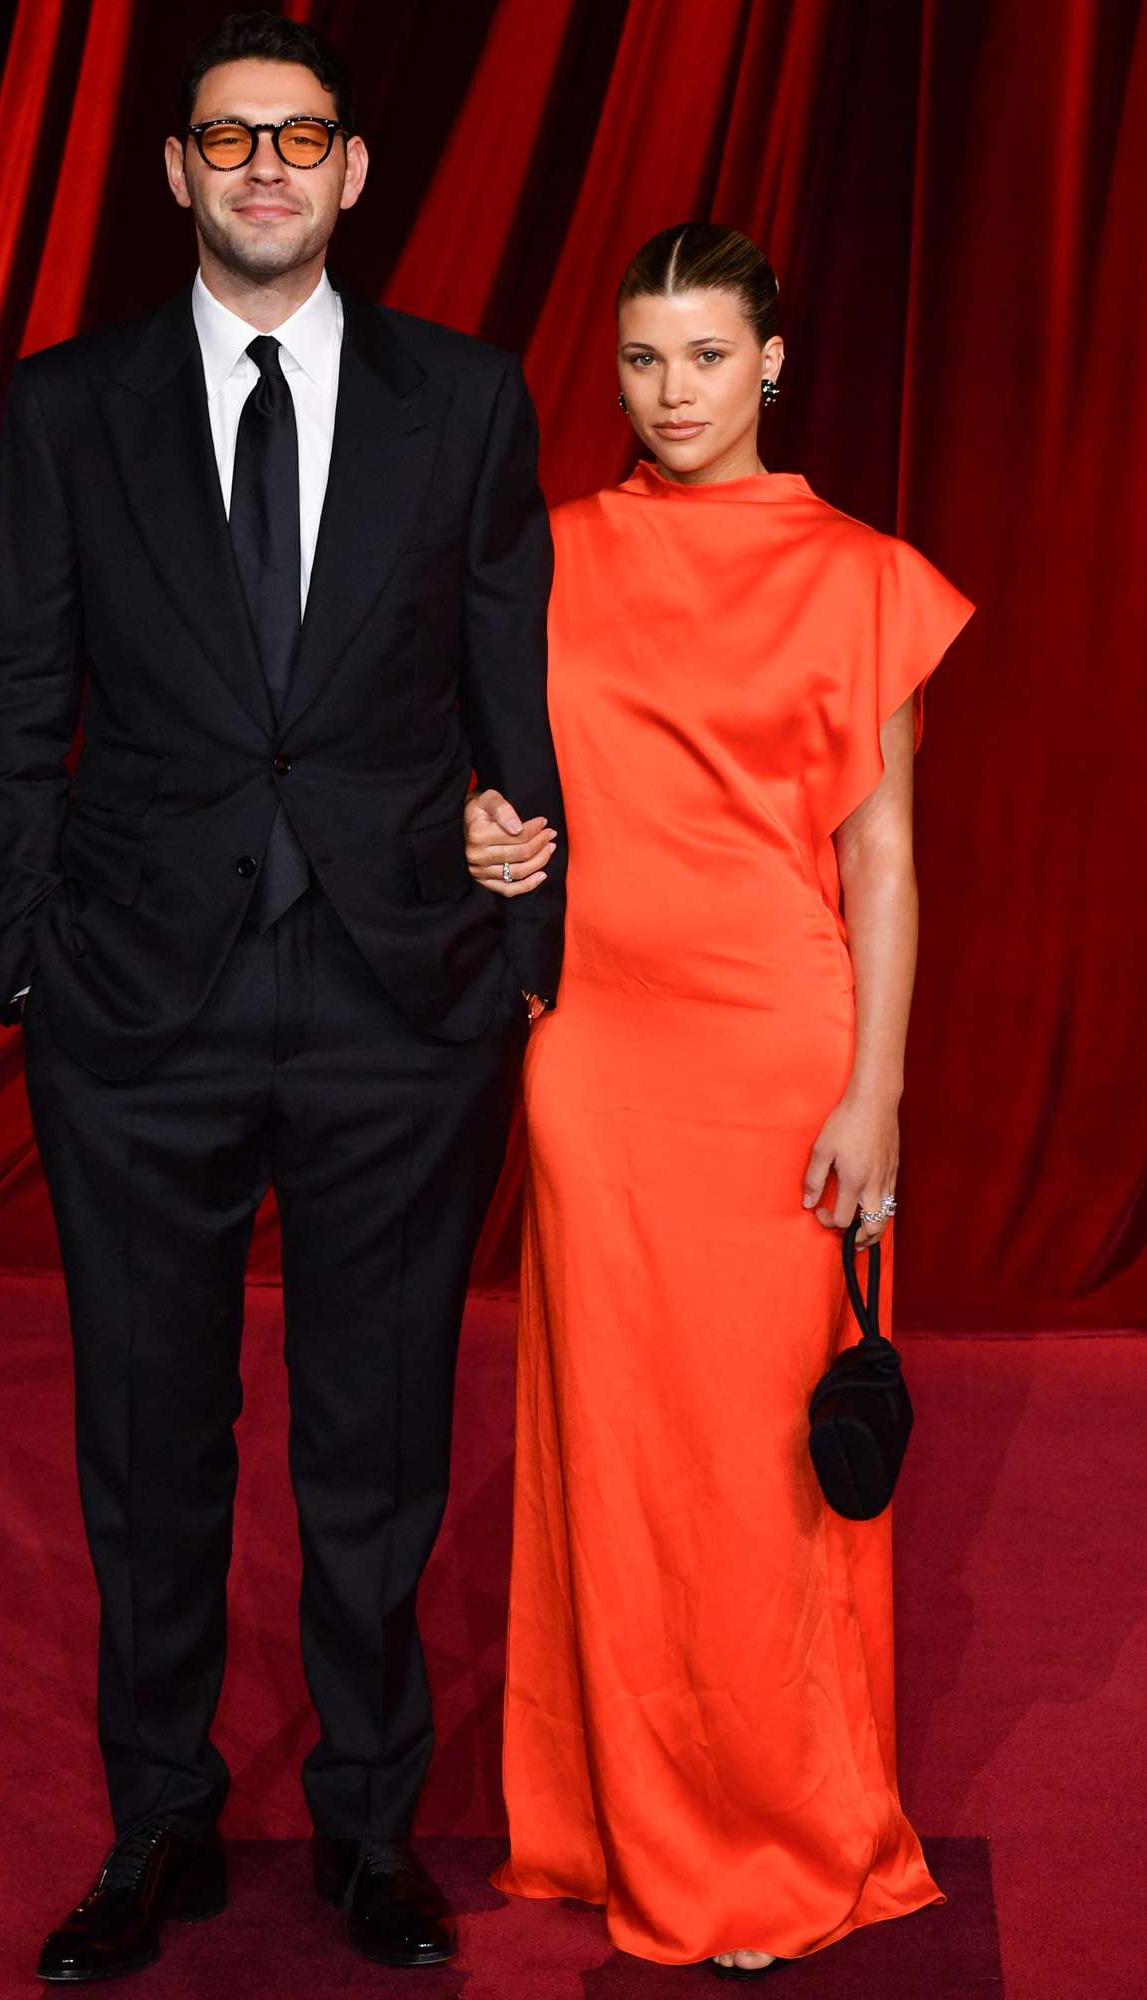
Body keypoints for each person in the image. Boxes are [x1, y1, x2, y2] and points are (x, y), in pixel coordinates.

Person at [0, 10, 564, 1982]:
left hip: (400, 999)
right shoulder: (63, 408)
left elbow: (507, 676)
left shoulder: (465, 402)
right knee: (149, 1438)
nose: (263, 169)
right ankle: (158, 1826)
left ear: (354, 171)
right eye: (227, 141)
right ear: (177, 173)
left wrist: (517, 930)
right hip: (134, 1007)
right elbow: (19, 698)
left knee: (375, 1438)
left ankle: (369, 1830)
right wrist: (29, 950)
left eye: (298, 137)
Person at [464, 222, 973, 1979]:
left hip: (776, 1065)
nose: (667, 394)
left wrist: (875, 1094)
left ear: (766, 362)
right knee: (616, 1462)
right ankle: (617, 1819)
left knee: (761, 1482)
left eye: (700, 358)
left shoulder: (860, 575)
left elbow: (885, 863)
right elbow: (496, 786)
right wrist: (480, 833)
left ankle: (774, 1837)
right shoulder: (546, 558)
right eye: (637, 360)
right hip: (592, 1056)